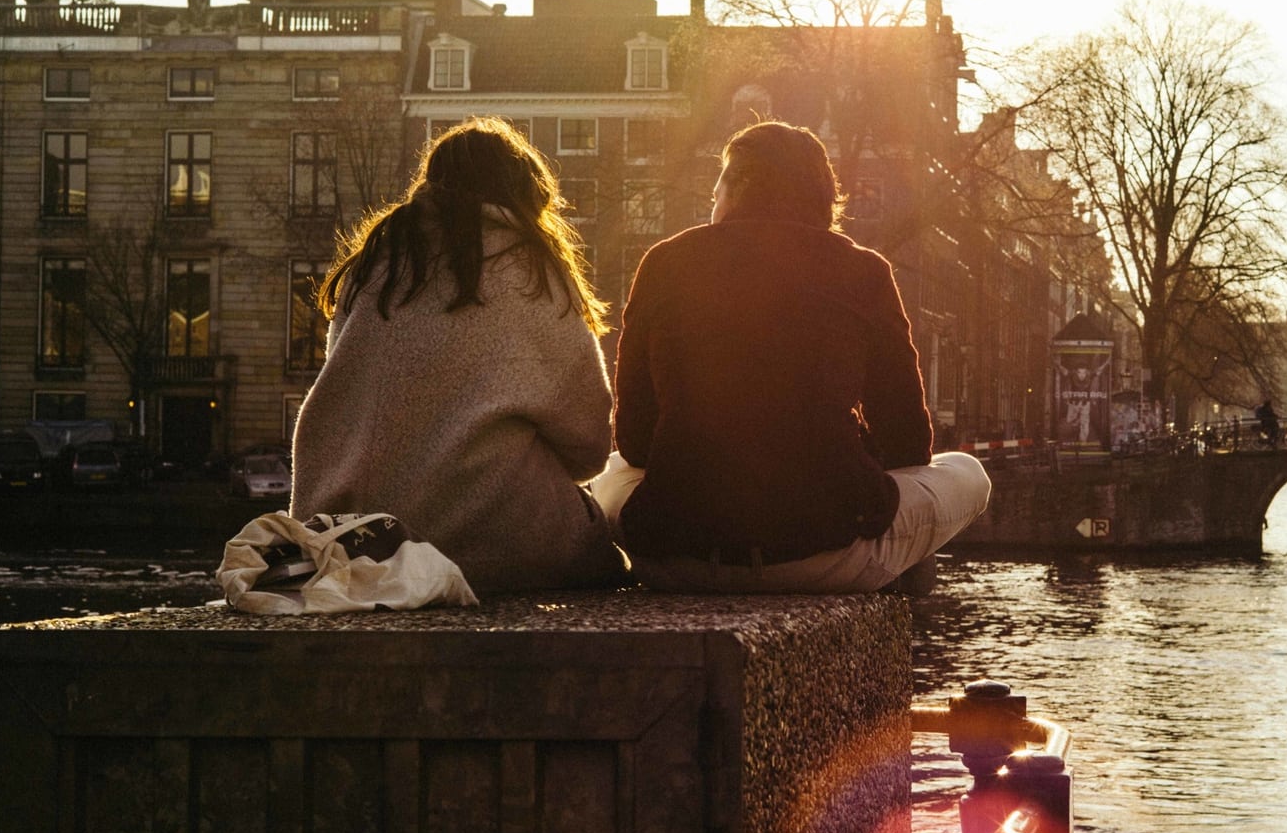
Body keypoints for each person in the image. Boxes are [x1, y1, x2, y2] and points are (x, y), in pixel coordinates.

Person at [590, 122, 990, 592]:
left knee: (612, 471)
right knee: (969, 474)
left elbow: (636, 441)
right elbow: (908, 443)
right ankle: (902, 573)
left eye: (718, 185)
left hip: (676, 557)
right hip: (824, 559)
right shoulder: (865, 271)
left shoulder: (663, 262)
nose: (712, 199)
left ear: (736, 186)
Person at [290, 118, 622, 593]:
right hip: (492, 543)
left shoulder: (375, 261)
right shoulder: (531, 267)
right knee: (609, 516)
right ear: (524, 190)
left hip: (357, 545)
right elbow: (588, 445)